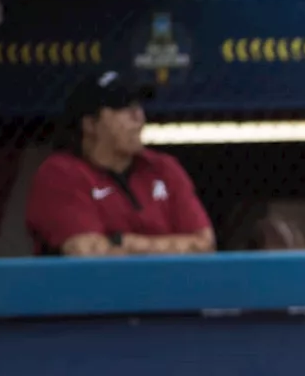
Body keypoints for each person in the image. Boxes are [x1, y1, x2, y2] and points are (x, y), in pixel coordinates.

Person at [25, 70, 215, 257]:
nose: (138, 116)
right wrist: (171, 247)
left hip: (163, 286)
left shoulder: (163, 168)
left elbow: (205, 244)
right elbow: (88, 253)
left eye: (138, 105)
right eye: (122, 107)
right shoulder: (60, 174)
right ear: (90, 124)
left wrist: (125, 242)